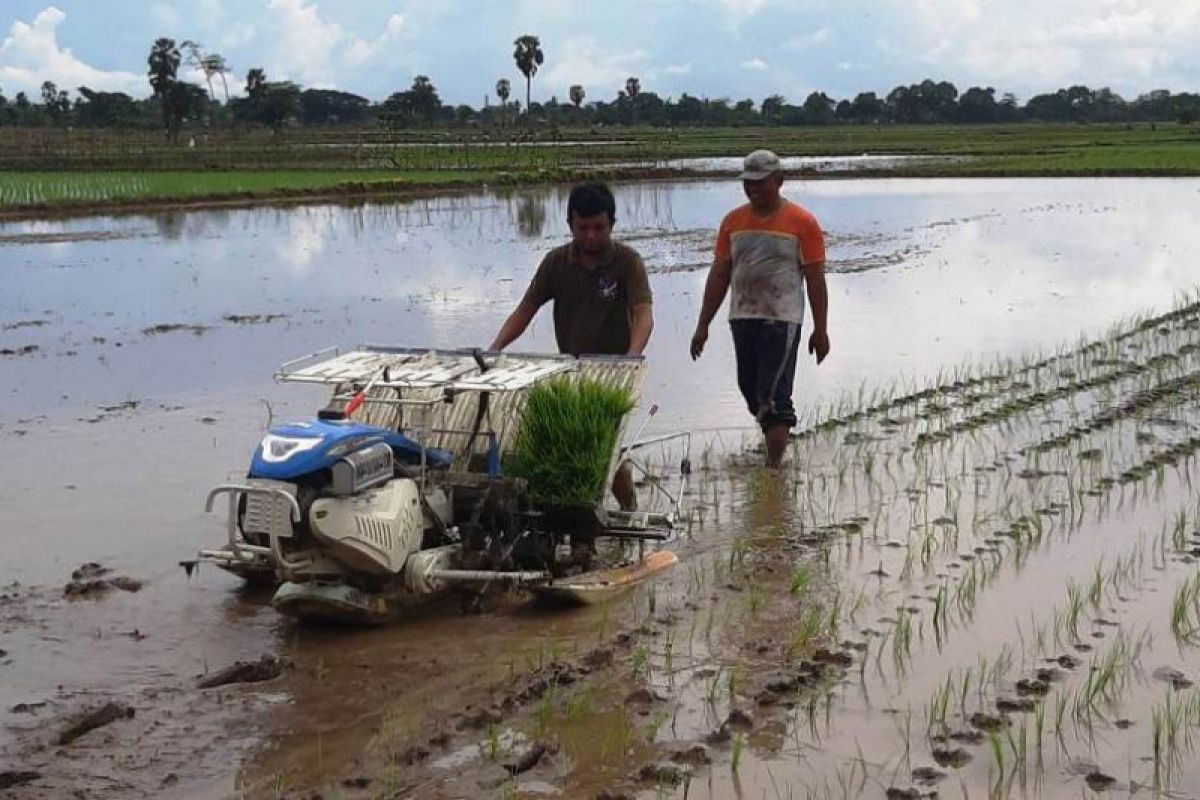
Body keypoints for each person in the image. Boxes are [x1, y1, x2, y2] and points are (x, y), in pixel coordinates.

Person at [490, 182, 653, 509]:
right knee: (580, 444)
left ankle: (622, 509)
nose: (591, 236)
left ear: (612, 225)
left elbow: (643, 313)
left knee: (603, 445)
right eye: (583, 228)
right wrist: (495, 348)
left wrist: (632, 358)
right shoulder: (556, 263)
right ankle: (595, 512)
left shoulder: (626, 262)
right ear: (570, 225)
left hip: (613, 372)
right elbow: (526, 308)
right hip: (571, 369)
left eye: (599, 228)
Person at [689, 150, 830, 468]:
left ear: (779, 181)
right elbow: (720, 273)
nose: (753, 190)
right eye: (748, 184)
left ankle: (773, 472)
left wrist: (820, 330)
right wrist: (702, 325)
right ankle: (773, 438)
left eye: (760, 184)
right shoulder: (733, 221)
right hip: (743, 316)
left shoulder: (802, 223)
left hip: (781, 319)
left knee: (774, 396)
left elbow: (815, 280)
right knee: (750, 389)